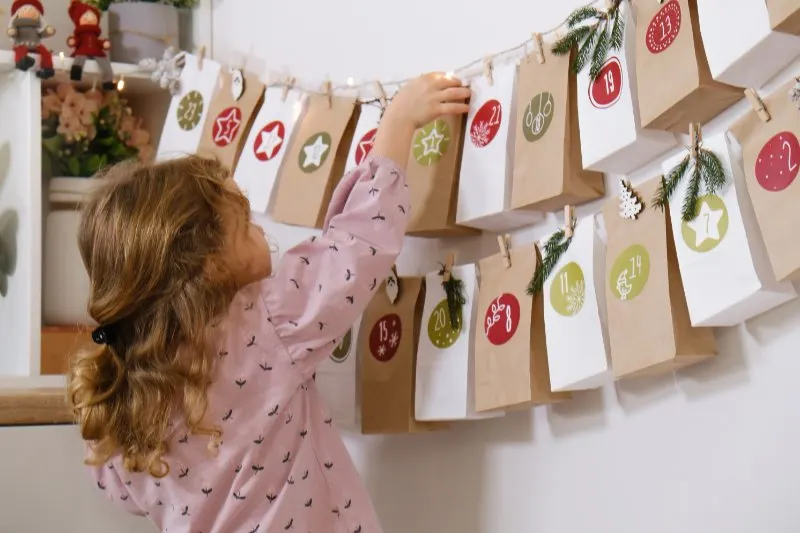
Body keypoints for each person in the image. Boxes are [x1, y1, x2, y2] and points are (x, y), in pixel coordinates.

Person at [67, 72, 471, 533]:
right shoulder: (267, 323)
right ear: (211, 268)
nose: (263, 231)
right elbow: (358, 244)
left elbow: (119, 489)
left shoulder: (122, 398)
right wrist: (397, 124)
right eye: (245, 223)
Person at [6, 0, 55, 79]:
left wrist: (48, 31)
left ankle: (47, 69)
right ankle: (21, 62)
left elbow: (42, 33)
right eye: (25, 10)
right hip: (21, 43)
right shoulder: (16, 25)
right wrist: (12, 32)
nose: (29, 12)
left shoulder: (37, 27)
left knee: (45, 52)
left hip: (35, 45)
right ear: (17, 14)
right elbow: (13, 33)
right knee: (20, 50)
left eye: (32, 11)